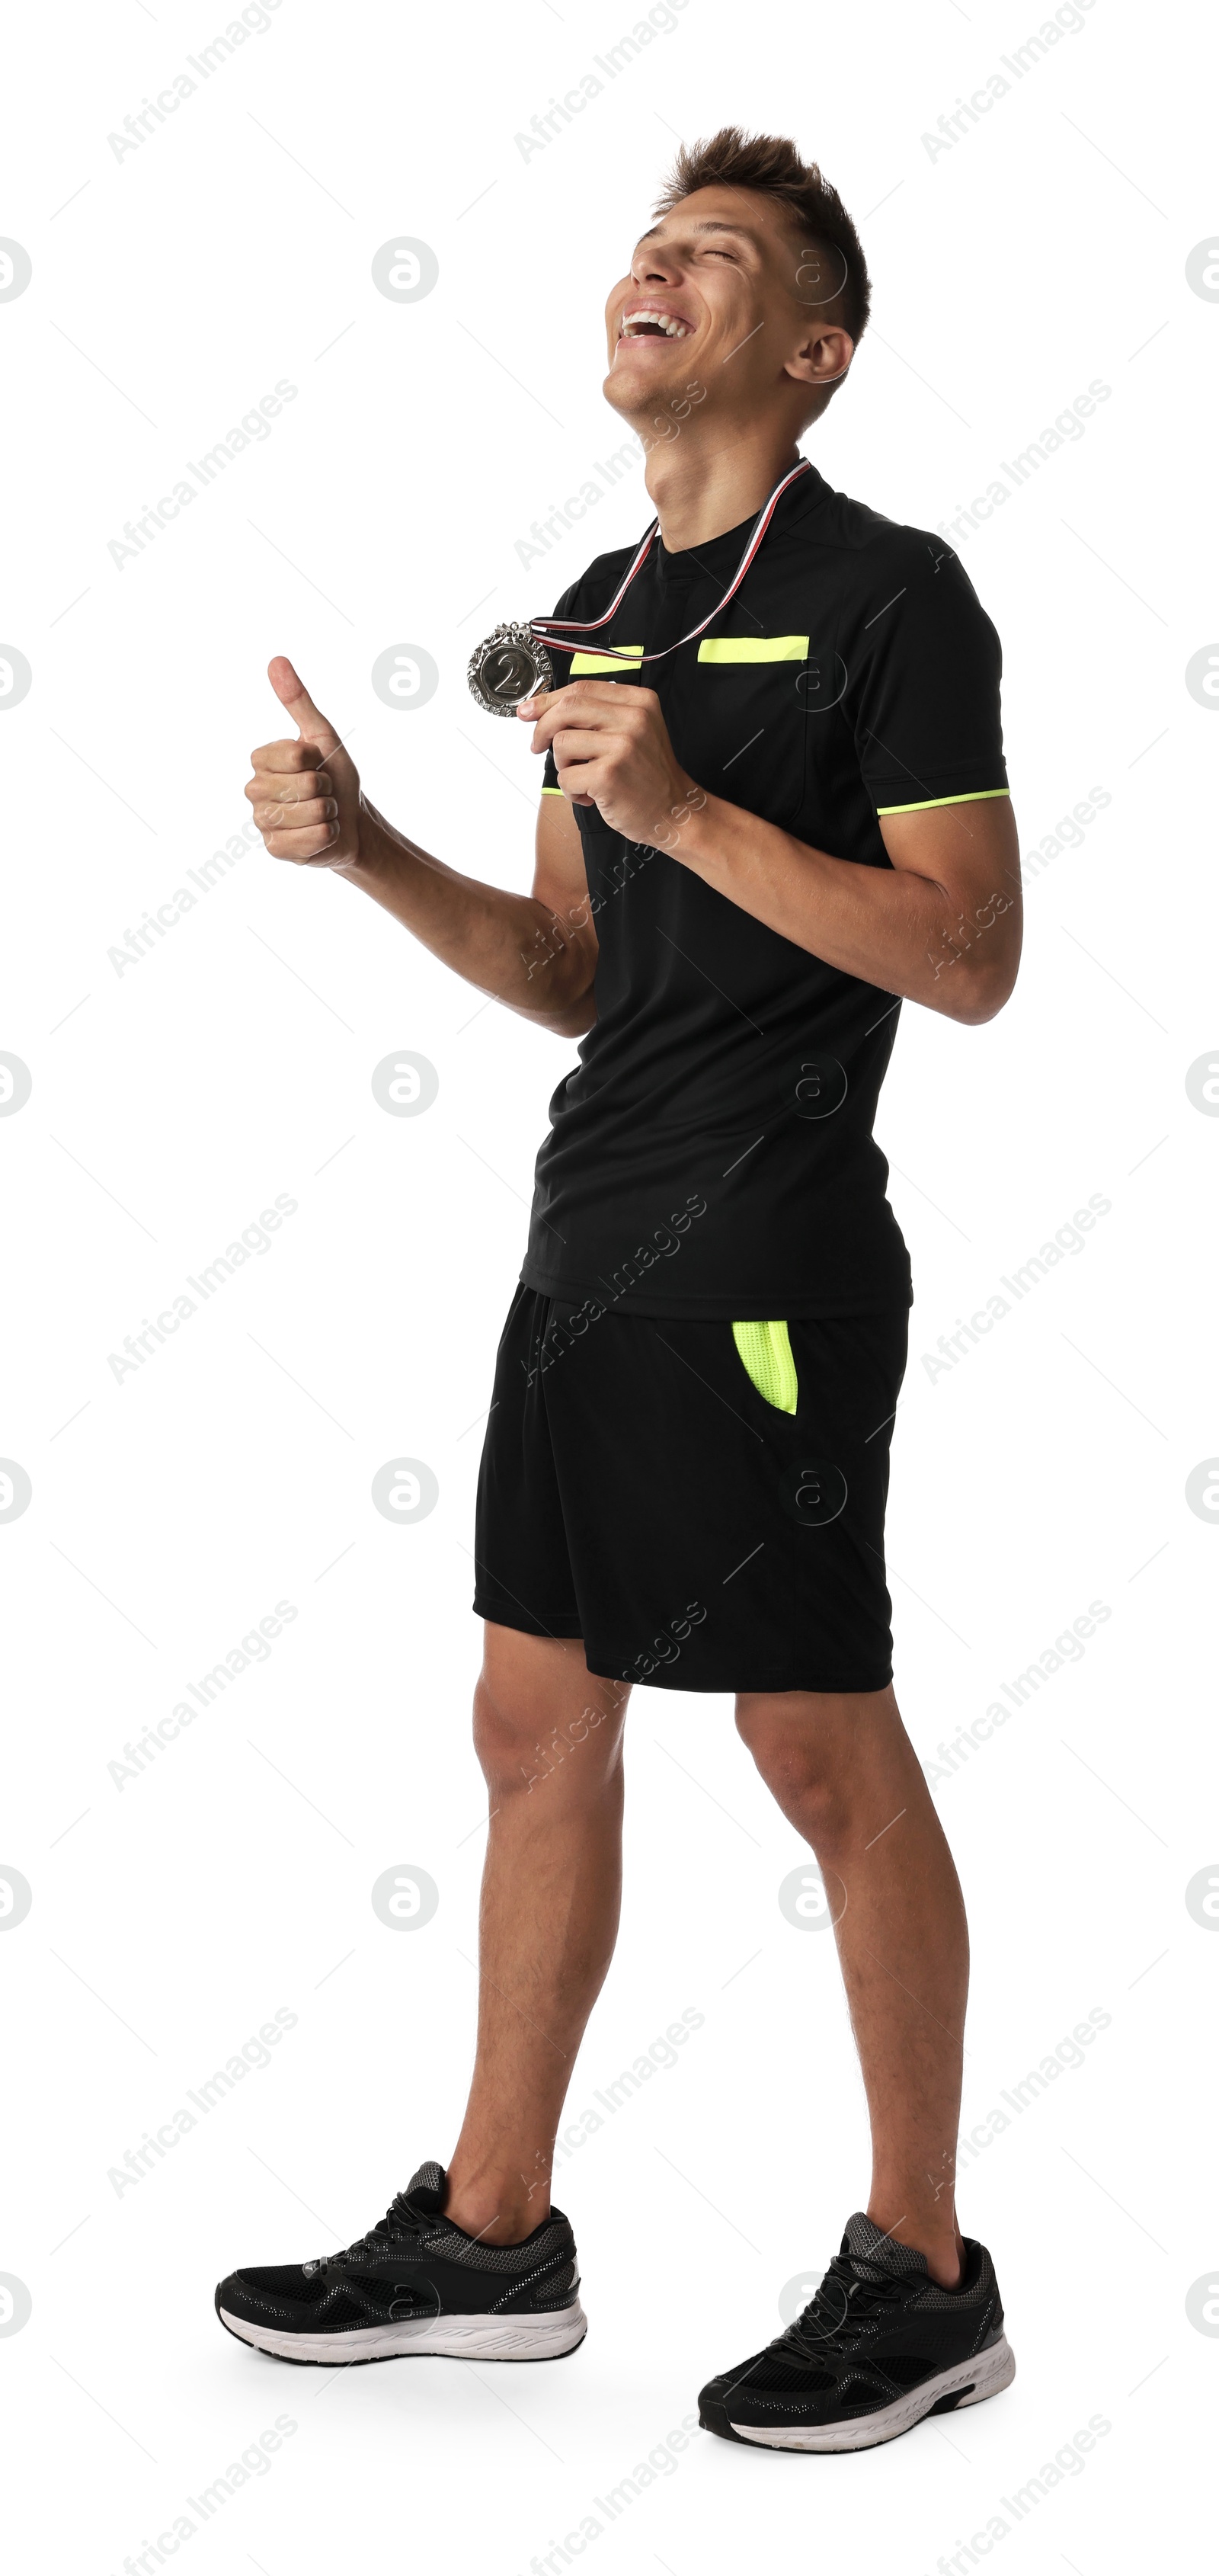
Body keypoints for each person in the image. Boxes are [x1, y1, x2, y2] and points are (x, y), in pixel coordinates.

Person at [215, 126, 1021, 2453]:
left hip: (768, 1258)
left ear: (811, 350)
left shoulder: (895, 595)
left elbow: (969, 959)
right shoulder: (595, 601)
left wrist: (689, 813)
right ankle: (493, 2231)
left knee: (806, 1737)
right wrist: (373, 850)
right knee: (532, 1728)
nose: (659, 264)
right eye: (653, 240)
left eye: (724, 256)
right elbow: (575, 967)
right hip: (583, 1244)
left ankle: (929, 2272)